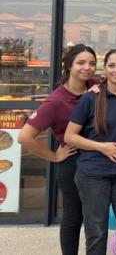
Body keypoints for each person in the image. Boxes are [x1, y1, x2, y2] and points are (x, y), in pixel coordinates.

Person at [18, 44, 97, 255]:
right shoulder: (56, 100)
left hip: (98, 161)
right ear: (69, 65)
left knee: (94, 216)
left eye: (91, 63)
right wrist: (54, 156)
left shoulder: (97, 86)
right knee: (74, 216)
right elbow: (25, 137)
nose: (87, 68)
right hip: (72, 163)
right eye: (81, 63)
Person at [64, 49, 116, 255]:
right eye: (112, 65)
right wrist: (102, 147)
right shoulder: (91, 98)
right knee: (97, 233)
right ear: (105, 69)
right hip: (93, 174)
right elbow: (70, 136)